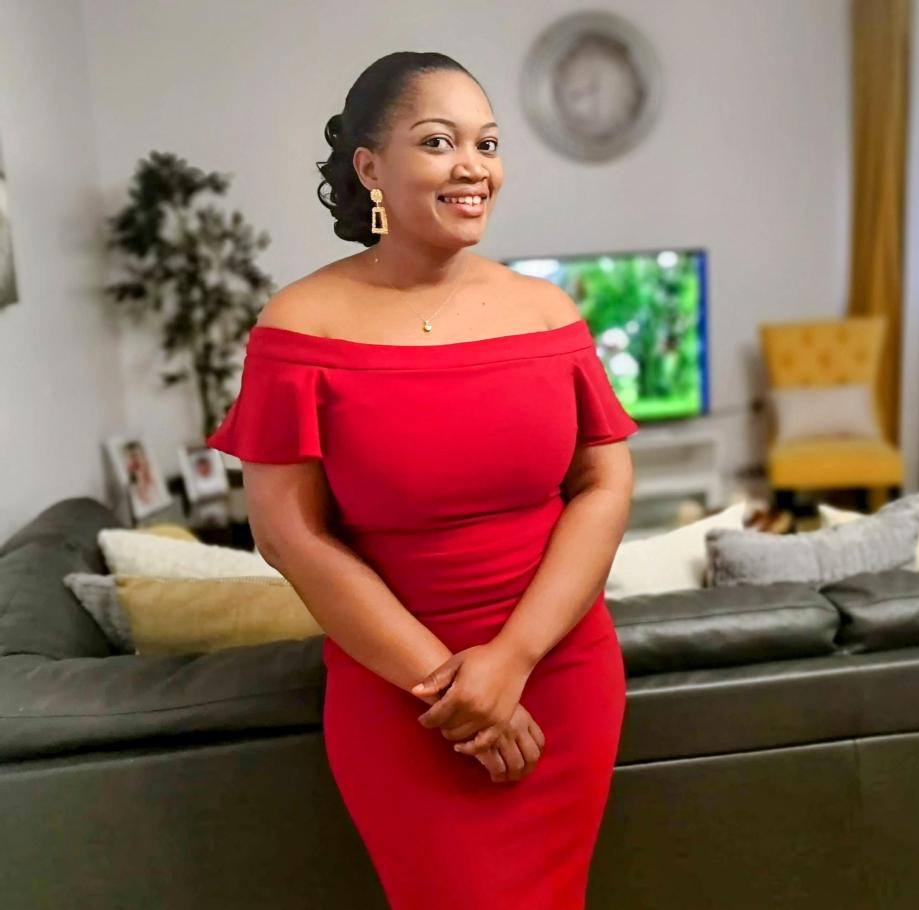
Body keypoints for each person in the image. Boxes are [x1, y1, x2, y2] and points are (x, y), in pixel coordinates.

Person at [206, 50, 639, 909]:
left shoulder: (548, 315)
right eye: (438, 142)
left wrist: (512, 661)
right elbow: (289, 533)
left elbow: (605, 483)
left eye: (486, 143)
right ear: (370, 167)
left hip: (562, 675)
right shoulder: (299, 325)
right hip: (407, 701)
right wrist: (458, 688)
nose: (472, 166)